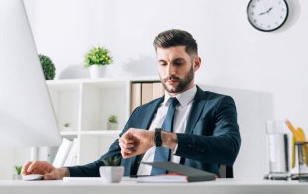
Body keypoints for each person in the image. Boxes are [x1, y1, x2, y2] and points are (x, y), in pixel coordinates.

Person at [22, 29, 241, 179]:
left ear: (196, 63)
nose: (169, 72)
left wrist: (159, 139)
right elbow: (108, 164)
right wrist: (62, 172)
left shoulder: (217, 104)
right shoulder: (142, 112)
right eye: (163, 63)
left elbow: (228, 150)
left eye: (178, 63)